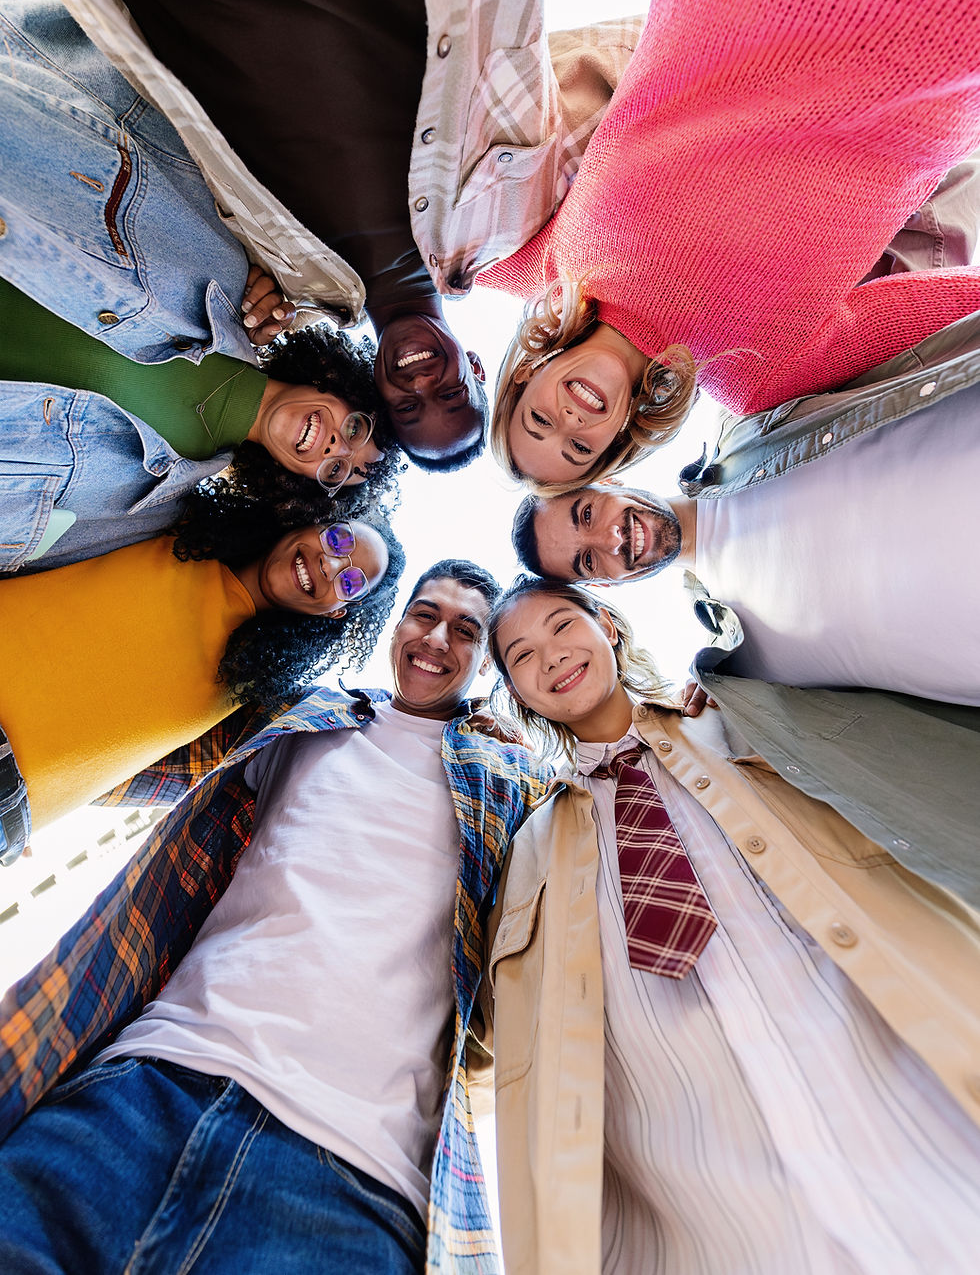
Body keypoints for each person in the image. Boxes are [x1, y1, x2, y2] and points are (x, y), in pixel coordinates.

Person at [0, 0, 644, 470]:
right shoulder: (515, 210)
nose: (422, 384)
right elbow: (642, 72)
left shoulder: (285, 283)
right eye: (450, 394)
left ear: (379, 398)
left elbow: (162, 165)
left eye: (408, 409)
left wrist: (260, 288)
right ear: (476, 367)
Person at [0, 559, 550, 1274]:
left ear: (487, 663)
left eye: (466, 630)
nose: (437, 639)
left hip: (353, 1176)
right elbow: (113, 753)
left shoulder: (512, 780)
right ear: (397, 623)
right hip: (143, 1093)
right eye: (425, 614)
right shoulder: (302, 715)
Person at [485, 575, 980, 1275]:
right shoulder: (534, 846)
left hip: (912, 1096)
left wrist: (729, 680)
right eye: (522, 655)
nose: (552, 655)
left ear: (608, 627)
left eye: (563, 625)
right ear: (518, 692)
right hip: (711, 1194)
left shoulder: (734, 718)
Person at [487, 0, 980, 490]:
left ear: (527, 373)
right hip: (948, 11)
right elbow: (950, 319)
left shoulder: (542, 259)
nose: (569, 420)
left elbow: (423, 224)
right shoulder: (755, 377)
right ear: (619, 442)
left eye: (538, 418)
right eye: (577, 449)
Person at [0, 0, 401, 572]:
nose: (331, 447)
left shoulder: (149, 507)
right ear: (339, 387)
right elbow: (133, 101)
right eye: (354, 430)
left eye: (337, 472)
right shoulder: (235, 275)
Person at [509, 308, 980, 705]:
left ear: (608, 481)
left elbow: (885, 313)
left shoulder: (748, 414)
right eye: (588, 560)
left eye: (587, 514)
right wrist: (727, 701)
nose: (611, 538)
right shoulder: (740, 665)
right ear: (602, 585)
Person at [0, 495, 403, 859]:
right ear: (314, 520)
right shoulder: (177, 522)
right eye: (338, 540)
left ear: (336, 612)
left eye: (350, 582)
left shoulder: (251, 694)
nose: (330, 564)